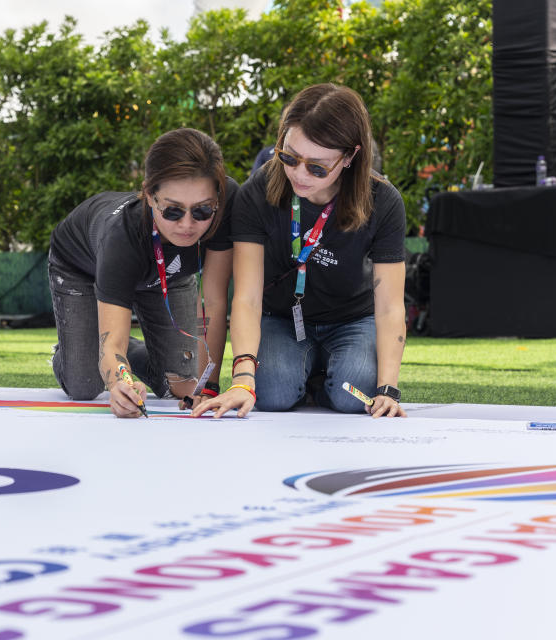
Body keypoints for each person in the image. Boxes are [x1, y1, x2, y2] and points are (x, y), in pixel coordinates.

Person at [194, 83, 407, 419]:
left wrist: (387, 389)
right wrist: (242, 379)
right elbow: (247, 297)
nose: (298, 173)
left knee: (357, 397)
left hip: (352, 319)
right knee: (272, 394)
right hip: (281, 318)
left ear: (351, 156)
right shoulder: (258, 192)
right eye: (289, 157)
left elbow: (390, 306)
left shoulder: (383, 200)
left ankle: (320, 379)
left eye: (317, 167)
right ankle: (307, 376)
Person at [48, 128, 238, 417]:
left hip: (168, 276)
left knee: (181, 382)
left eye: (202, 211)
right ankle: (76, 343)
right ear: (149, 195)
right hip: (81, 269)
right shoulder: (121, 238)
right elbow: (111, 344)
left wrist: (206, 387)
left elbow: (212, 302)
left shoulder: (229, 203)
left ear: (218, 198)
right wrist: (120, 382)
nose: (187, 225)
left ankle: (130, 349)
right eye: (173, 211)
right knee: (85, 383)